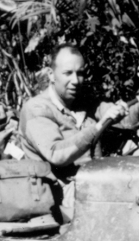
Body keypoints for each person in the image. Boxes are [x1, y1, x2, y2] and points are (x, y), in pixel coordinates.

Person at [18, 44, 128, 219]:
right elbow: (57, 154)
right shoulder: (36, 109)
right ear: (51, 75)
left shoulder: (85, 102)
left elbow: (127, 120)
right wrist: (99, 125)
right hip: (59, 198)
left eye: (80, 73)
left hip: (92, 185)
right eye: (68, 73)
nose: (76, 81)